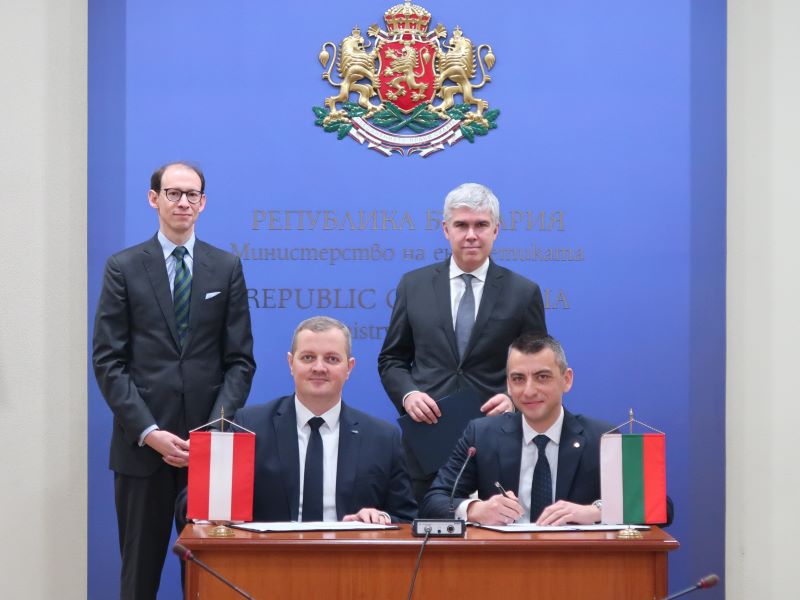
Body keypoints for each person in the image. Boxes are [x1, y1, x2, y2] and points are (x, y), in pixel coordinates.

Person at [92, 162, 256, 599]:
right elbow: (108, 360)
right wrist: (149, 432)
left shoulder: (226, 267)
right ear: (154, 199)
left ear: (203, 203)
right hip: (142, 451)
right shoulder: (124, 267)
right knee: (138, 578)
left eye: (192, 194)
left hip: (209, 454)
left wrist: (211, 433)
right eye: (173, 193)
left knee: (210, 579)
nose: (183, 202)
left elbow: (240, 362)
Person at [378, 183, 547, 502]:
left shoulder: (524, 292)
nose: (471, 235)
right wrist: (409, 394)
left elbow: (539, 367)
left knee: (495, 529)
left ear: (496, 230)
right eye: (461, 225)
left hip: (498, 438)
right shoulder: (413, 285)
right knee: (430, 528)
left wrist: (513, 399)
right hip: (429, 440)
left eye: (481, 225)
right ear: (446, 229)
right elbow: (392, 360)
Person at [179, 316, 417, 525]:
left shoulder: (382, 438)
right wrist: (216, 511)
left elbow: (407, 519)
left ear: (349, 368)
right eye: (308, 357)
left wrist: (381, 518)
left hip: (351, 559)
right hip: (268, 559)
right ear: (291, 363)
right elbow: (191, 502)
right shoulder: (249, 426)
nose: (319, 367)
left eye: (332, 359)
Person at [421, 333, 674, 526]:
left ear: (567, 379)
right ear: (508, 384)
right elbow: (433, 501)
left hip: (579, 568)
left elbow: (661, 507)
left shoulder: (601, 438)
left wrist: (595, 511)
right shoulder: (481, 435)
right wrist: (476, 509)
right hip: (501, 566)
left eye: (542, 377)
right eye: (518, 379)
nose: (529, 391)